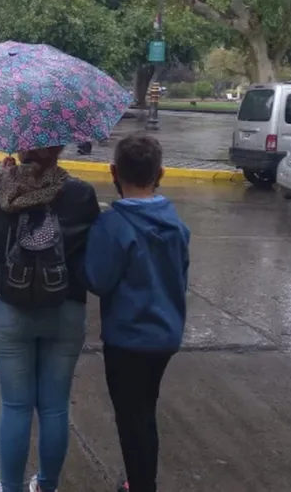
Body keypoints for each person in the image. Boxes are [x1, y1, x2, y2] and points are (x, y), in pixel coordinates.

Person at [0, 146, 101, 492]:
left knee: (15, 405)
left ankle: (11, 487)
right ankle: (46, 485)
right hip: (65, 306)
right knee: (55, 406)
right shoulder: (80, 194)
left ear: (20, 144)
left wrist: (4, 180)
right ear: (59, 148)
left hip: (10, 310)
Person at [84, 135, 189, 492]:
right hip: (164, 336)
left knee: (131, 419)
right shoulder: (176, 225)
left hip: (127, 339)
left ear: (113, 172)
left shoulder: (113, 225)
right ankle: (143, 480)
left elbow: (97, 280)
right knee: (146, 411)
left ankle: (142, 485)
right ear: (160, 173)